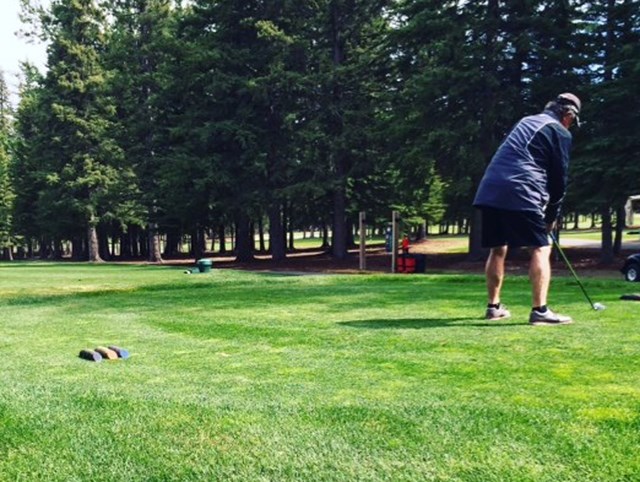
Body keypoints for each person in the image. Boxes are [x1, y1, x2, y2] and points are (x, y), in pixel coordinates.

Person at [473, 93, 581, 326]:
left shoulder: (526, 121)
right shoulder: (559, 131)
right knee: (541, 247)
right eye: (572, 120)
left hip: (490, 188)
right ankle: (540, 310)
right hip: (521, 189)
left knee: (498, 247)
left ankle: (494, 307)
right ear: (567, 114)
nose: (570, 125)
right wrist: (551, 216)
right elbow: (559, 179)